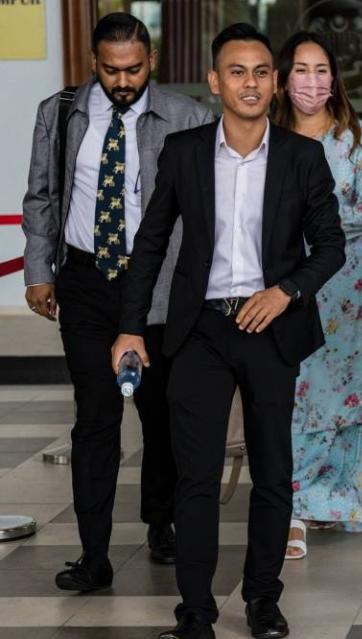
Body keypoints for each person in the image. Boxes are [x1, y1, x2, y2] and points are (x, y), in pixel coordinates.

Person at [112, 24, 344, 639]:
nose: (250, 82)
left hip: (271, 328)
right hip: (200, 331)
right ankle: (195, 615)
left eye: (262, 71)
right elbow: (152, 242)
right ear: (216, 82)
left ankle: (264, 604)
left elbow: (331, 247)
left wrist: (284, 291)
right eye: (237, 71)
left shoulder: (302, 156)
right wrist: (131, 328)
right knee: (195, 477)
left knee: (272, 470)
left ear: (276, 82)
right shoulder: (185, 152)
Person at [21, 12, 212, 591]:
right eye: (110, 70)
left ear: (150, 61)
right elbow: (42, 194)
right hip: (84, 281)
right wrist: (37, 270)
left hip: (158, 285)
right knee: (96, 418)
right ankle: (94, 555)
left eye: (132, 69)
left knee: (160, 416)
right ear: (93, 64)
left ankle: (161, 522)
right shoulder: (59, 113)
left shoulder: (189, 117)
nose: (122, 81)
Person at [272, 32, 362, 557]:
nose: (312, 81)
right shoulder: (266, 137)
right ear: (282, 76)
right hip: (279, 287)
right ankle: (291, 505)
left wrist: (309, 220)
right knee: (293, 395)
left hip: (343, 288)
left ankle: (334, 500)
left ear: (334, 78)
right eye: (300, 70)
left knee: (344, 394)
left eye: (321, 70)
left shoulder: (361, 140)